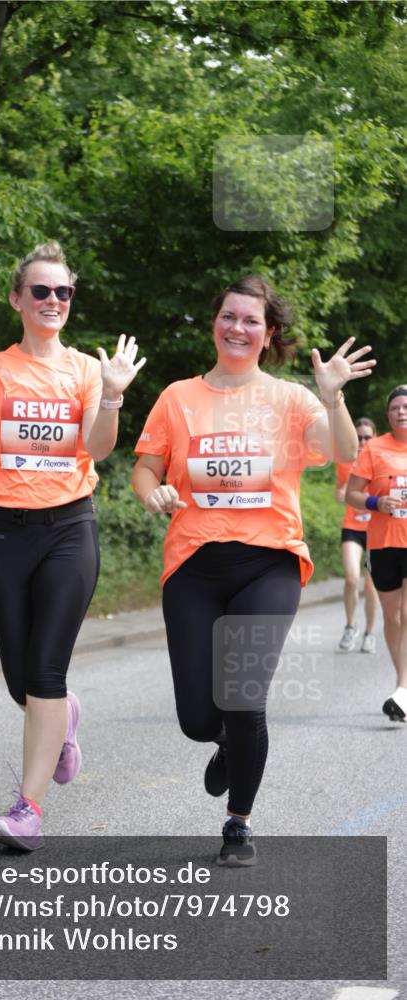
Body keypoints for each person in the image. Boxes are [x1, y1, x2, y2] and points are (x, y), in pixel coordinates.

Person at [132, 276, 374, 866]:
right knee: (196, 718)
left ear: (268, 336)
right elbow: (144, 469)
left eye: (252, 321)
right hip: (192, 564)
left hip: (269, 562)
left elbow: (343, 453)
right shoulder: (178, 397)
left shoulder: (291, 399)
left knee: (244, 698)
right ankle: (226, 744)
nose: (238, 328)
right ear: (214, 322)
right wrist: (154, 493)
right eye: (230, 317)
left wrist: (333, 395)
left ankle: (238, 822)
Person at [0, 241, 145, 850]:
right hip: (3, 532)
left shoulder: (87, 370)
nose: (52, 301)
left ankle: (27, 810)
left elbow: (97, 449)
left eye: (62, 291)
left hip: (69, 528)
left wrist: (114, 393)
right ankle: (64, 720)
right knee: (22, 680)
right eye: (40, 291)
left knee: (45, 669)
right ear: (17, 299)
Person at [346, 385, 407, 722]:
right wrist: (376, 502)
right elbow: (352, 495)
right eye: (396, 407)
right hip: (383, 543)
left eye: (406, 406)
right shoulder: (375, 449)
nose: (402, 411)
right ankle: (404, 683)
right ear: (388, 414)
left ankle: (402, 688)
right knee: (393, 617)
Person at [335, 417, 379, 652]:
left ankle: (370, 633)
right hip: (352, 526)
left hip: (376, 531)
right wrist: (340, 494)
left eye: (367, 437)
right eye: (359, 436)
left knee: (371, 586)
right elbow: (339, 489)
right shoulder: (345, 463)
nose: (362, 441)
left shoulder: (383, 462)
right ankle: (350, 626)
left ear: (375, 437)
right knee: (352, 578)